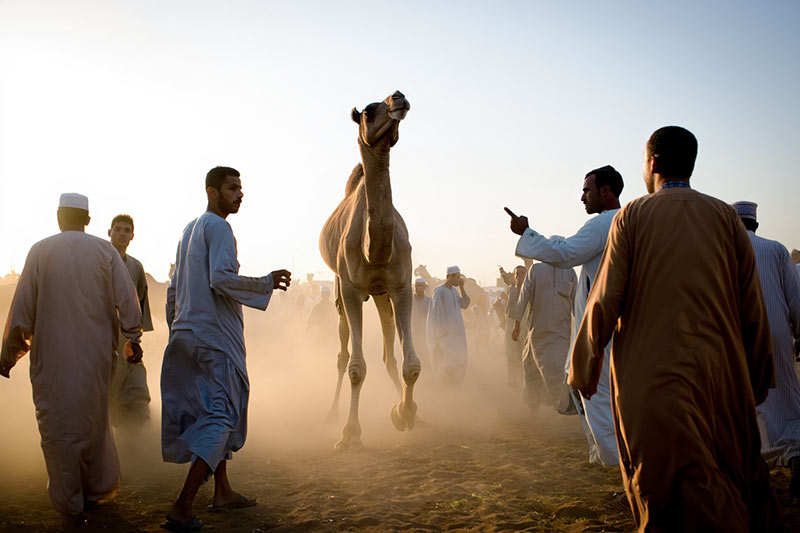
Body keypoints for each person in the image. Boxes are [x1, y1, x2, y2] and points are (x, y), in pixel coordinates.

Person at [571, 126, 782, 531]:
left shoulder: (632, 216)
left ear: (651, 164)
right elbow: (753, 309)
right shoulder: (724, 217)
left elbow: (603, 300)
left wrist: (585, 365)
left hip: (651, 381)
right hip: (720, 377)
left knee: (663, 483)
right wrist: (757, 376)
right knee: (723, 472)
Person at [161, 166, 292, 532]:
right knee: (223, 416)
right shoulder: (218, 227)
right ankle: (183, 505)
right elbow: (220, 278)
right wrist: (266, 281)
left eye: (241, 187)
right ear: (212, 192)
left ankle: (223, 491)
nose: (240, 194)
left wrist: (179, 328)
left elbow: (174, 290)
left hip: (188, 333)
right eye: (233, 188)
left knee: (209, 411)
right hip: (213, 337)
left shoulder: (189, 230)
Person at [0, 193, 142, 525]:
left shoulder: (40, 250)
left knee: (59, 428)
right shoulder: (106, 251)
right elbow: (128, 302)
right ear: (89, 221)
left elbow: (22, 312)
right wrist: (132, 338)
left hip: (53, 360)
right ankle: (96, 491)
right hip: (95, 360)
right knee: (94, 424)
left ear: (59, 216)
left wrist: (8, 355)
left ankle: (69, 502)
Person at [506, 164, 623, 466]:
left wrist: (526, 232)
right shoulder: (631, 221)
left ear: (605, 191)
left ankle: (620, 465)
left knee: (594, 398)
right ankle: (608, 457)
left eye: (587, 190)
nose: (582, 197)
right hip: (611, 330)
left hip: (601, 334)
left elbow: (565, 253)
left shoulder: (602, 225)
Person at [733, 201, 800, 496]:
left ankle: (751, 470)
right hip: (778, 335)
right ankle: (795, 457)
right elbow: (794, 299)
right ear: (755, 224)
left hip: (737, 336)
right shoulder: (776, 249)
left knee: (743, 404)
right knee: (785, 400)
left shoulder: (724, 251)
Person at [511, 237, 576, 412]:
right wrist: (517, 324)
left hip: (560, 334)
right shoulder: (536, 270)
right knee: (531, 370)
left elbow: (577, 304)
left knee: (556, 370)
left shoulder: (570, 272)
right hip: (536, 331)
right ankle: (533, 409)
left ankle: (562, 407)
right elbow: (523, 299)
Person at [108, 213, 154, 426]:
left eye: (126, 230)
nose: (122, 234)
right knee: (104, 396)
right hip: (99, 339)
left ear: (132, 236)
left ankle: (138, 448)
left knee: (137, 394)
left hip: (127, 341)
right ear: (109, 233)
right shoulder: (98, 260)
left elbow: (141, 302)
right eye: (117, 229)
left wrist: (136, 339)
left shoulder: (136, 267)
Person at [427, 266, 470, 385]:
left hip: (457, 335)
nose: (459, 279)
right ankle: (444, 388)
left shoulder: (454, 291)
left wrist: (462, 287)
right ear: (449, 277)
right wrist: (442, 334)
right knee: (446, 363)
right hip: (445, 336)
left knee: (460, 360)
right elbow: (438, 313)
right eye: (457, 277)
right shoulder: (439, 291)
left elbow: (465, 304)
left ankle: (455, 387)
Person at [502, 266, 526, 388]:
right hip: (510, 322)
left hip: (525, 322)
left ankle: (524, 379)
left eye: (522, 273)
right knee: (511, 352)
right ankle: (512, 379)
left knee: (524, 353)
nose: (519, 276)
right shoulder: (510, 289)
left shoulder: (528, 290)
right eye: (517, 274)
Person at [411, 278, 432, 369]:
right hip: (412, 331)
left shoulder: (429, 301)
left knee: (425, 352)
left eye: (421, 286)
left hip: (425, 331)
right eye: (417, 286)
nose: (418, 288)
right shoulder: (409, 300)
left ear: (424, 288)